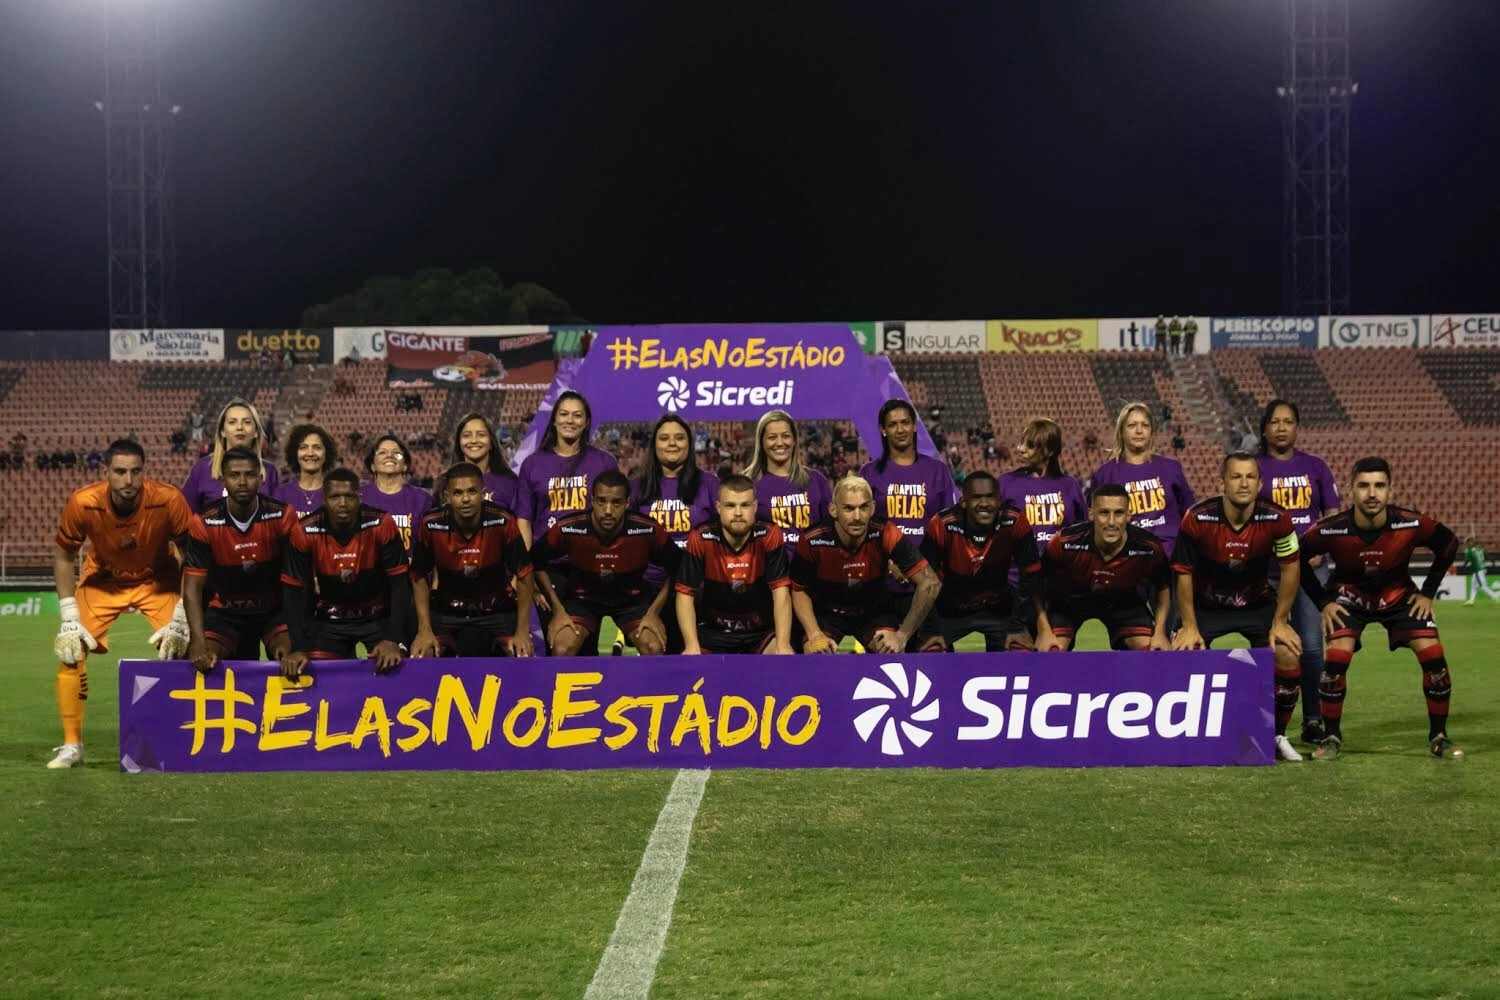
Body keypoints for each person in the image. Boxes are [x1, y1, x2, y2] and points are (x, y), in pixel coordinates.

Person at [1298, 457, 1462, 760]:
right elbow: (1296, 557)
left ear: (1390, 489)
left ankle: (1439, 736)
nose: (1371, 493)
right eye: (1364, 486)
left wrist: (1427, 593)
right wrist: (1323, 602)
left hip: (1399, 597)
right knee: (1336, 659)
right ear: (1351, 489)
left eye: (1379, 486)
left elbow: (1449, 544)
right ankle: (1331, 737)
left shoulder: (1411, 522)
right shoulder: (1332, 528)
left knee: (1434, 658)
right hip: (1348, 598)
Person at [48, 439, 194, 768]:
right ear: (106, 472)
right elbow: (63, 556)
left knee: (184, 645)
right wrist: (68, 616)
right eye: (120, 471)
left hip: (158, 580)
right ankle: (72, 745)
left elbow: (192, 555)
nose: (128, 480)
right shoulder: (84, 502)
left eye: (135, 471)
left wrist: (183, 613)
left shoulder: (168, 499)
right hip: (103, 581)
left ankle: (182, 738)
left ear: (144, 471)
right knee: (70, 649)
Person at [1171, 452, 1304, 762]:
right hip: (1207, 605)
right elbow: (1183, 572)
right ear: (1222, 483)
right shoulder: (1197, 518)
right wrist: (1188, 625)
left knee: (1287, 652)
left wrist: (1281, 621)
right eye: (1236, 477)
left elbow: (1290, 567)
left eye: (1250, 477)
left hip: (1256, 603)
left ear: (1259, 484)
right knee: (1184, 653)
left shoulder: (1278, 518)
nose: (1243, 483)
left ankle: (1276, 735)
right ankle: (1192, 736)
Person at [1256, 399, 1342, 744]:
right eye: (1275, 421)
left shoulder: (1315, 466)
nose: (1281, 427)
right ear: (1264, 429)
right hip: (1266, 572)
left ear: (1297, 427)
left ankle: (1312, 720)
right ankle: (1269, 722)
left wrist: (1320, 550)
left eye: (1288, 421)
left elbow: (1332, 514)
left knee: (1312, 647)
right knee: (1270, 647)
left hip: (1310, 571)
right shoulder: (1254, 468)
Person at [530, 470, 680, 657]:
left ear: (627, 503)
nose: (608, 511)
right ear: (592, 501)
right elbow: (534, 561)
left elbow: (678, 567)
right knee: (562, 649)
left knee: (653, 648)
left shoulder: (647, 529)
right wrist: (558, 610)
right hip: (582, 600)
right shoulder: (568, 527)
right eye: (601, 501)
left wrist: (654, 612)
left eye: (616, 503)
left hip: (632, 601)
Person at [279, 468, 411, 677]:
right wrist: (297, 647)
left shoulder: (381, 523)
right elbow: (292, 590)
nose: (342, 503)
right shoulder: (304, 530)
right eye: (335, 497)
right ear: (324, 499)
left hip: (377, 617)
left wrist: (393, 638)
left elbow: (400, 582)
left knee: (395, 668)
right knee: (319, 676)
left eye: (349, 496)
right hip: (329, 619)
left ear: (359, 497)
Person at [791, 475, 941, 654]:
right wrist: (815, 634)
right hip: (827, 614)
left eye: (863, 507)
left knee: (890, 651)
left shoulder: (886, 532)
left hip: (873, 613)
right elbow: (798, 589)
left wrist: (902, 636)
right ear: (833, 510)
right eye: (848, 508)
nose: (857, 517)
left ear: (872, 508)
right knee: (815, 651)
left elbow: (930, 582)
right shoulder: (812, 540)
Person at [181, 447, 298, 672]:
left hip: (274, 610)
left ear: (261, 478)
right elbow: (192, 587)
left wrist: (299, 640)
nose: (242, 482)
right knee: (205, 659)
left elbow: (296, 579)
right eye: (234, 475)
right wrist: (197, 641)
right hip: (225, 612)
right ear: (223, 479)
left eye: (250, 474)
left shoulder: (282, 515)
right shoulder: (203, 522)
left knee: (290, 656)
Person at [858, 399, 957, 650]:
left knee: (934, 659)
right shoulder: (869, 473)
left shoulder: (937, 471)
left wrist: (916, 567)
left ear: (914, 426)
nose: (900, 429)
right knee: (885, 657)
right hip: (882, 586)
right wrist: (890, 562)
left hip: (927, 584)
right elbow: (861, 529)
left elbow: (948, 531)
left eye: (905, 422)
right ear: (883, 430)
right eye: (893, 424)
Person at [408, 463, 535, 658]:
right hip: (446, 611)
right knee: (422, 654)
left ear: (483, 493)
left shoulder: (503, 521)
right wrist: (424, 630)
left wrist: (522, 632)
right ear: (447, 496)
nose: (466, 499)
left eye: (472, 491)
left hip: (497, 610)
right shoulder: (431, 524)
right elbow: (418, 577)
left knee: (522, 654)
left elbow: (525, 574)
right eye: (458, 493)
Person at [1035, 484, 1171, 653]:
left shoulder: (1149, 547)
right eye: (1104, 513)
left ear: (1129, 515)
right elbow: (1036, 585)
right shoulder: (1063, 543)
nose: (1111, 522)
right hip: (1069, 603)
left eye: (1119, 513)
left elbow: (1163, 587)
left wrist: (1160, 632)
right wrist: (1043, 629)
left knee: (1152, 650)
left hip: (1123, 603)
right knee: (1051, 651)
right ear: (1091, 514)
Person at [921, 471, 1041, 652]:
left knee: (1020, 650)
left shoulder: (1015, 521)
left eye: (990, 497)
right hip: (949, 611)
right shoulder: (942, 524)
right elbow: (924, 579)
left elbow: (1030, 575)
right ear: (963, 502)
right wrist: (931, 629)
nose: (984, 503)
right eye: (976, 497)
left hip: (999, 610)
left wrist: (1018, 625)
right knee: (931, 652)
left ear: (999, 501)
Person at [630, 414, 720, 653]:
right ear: (654, 445)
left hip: (698, 588)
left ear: (689, 444)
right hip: (648, 588)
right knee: (655, 651)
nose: (672, 443)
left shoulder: (709, 484)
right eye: (664, 438)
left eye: (679, 438)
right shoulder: (636, 486)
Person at [675, 475, 794, 654]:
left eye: (745, 505)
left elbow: (781, 592)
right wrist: (691, 645)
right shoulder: (701, 536)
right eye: (730, 505)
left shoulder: (769, 533)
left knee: (782, 661)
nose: (738, 513)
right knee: (694, 666)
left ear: (755, 507)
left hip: (759, 633)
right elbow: (685, 593)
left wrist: (783, 644)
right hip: (713, 632)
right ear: (718, 508)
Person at [745, 409, 834, 561]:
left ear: (794, 440)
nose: (780, 443)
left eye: (786, 436)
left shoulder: (816, 480)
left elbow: (830, 531)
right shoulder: (748, 483)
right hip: (767, 569)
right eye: (772, 437)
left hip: (811, 568)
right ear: (762, 442)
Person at [181, 398, 282, 513]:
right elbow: (185, 514)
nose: (240, 427)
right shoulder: (202, 468)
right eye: (232, 422)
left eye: (247, 422)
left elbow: (277, 516)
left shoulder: (270, 471)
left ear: (256, 432)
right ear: (222, 431)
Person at [359, 434, 434, 557]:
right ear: (372, 465)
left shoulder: (423, 499)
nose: (390, 455)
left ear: (405, 465)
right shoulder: (359, 497)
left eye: (397, 453)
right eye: (382, 452)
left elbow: (432, 544)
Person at [432, 413, 519, 511]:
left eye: (481, 435)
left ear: (491, 443)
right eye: (467, 435)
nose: (473, 440)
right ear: (459, 443)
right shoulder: (444, 483)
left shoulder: (509, 482)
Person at [272, 423, 338, 518]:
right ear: (295, 453)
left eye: (317, 447)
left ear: (326, 453)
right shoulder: (281, 494)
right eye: (303, 448)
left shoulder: (336, 493)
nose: (310, 453)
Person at [1462, 537, 1498, 604]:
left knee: (1483, 586)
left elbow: (1466, 561)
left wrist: (1463, 567)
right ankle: (1471, 600)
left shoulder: (1469, 550)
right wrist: (1493, 561)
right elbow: (1487, 555)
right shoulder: (1480, 549)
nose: (1466, 544)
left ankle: (1495, 597)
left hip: (1477, 570)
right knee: (1473, 586)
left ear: (1470, 542)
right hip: (1482, 569)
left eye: (1467, 543)